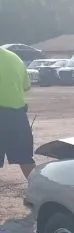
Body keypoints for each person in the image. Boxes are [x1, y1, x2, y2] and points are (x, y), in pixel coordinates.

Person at [0, 46, 36, 180]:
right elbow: (26, 86)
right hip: (17, 117)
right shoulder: (14, 58)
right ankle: (40, 192)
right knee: (25, 159)